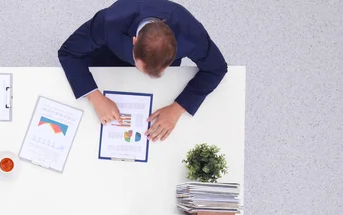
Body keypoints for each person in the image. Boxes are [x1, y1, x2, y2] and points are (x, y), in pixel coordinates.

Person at [58, 0, 228, 142]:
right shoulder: (110, 20)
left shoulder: (191, 34)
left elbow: (217, 68)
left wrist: (178, 108)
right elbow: (68, 52)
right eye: (143, 69)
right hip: (108, 61)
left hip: (160, 89)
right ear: (134, 41)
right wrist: (94, 96)